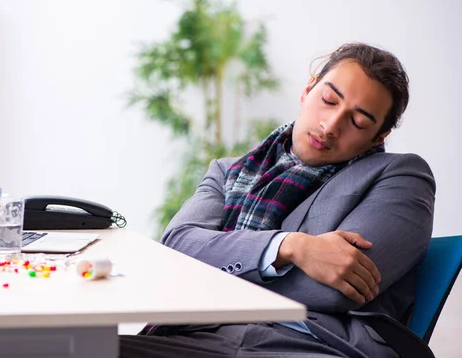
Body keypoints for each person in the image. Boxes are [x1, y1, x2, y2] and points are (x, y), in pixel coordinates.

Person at [120, 43, 436, 357]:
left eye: (359, 122)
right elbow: (176, 250)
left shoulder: (401, 176)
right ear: (308, 90)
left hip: (302, 345)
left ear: (378, 136)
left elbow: (338, 288)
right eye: (328, 100)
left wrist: (213, 272)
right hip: (190, 334)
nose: (331, 126)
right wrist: (288, 248)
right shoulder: (229, 172)